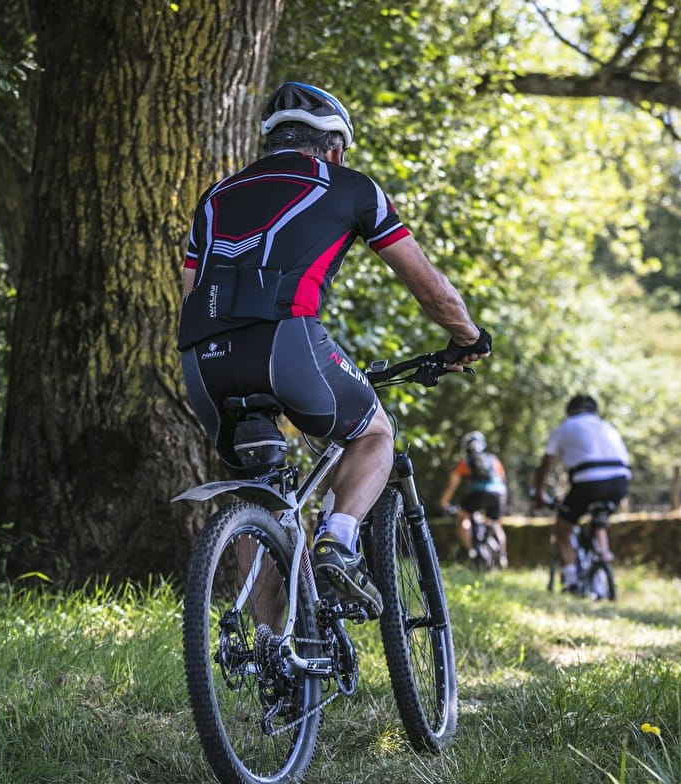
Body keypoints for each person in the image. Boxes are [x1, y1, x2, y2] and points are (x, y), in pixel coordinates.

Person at [177, 81, 490, 619]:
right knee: (373, 433)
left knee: (256, 488)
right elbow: (430, 288)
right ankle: (337, 543)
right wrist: (467, 337)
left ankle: (274, 653)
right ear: (335, 147)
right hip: (286, 343)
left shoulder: (215, 197)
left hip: (202, 361)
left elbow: (189, 295)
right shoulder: (350, 186)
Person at [531, 394, 631, 593]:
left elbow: (545, 466)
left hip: (588, 482)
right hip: (620, 482)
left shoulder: (564, 428)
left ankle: (571, 581)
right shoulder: (607, 427)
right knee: (599, 521)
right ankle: (603, 555)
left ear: (570, 411)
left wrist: (539, 493)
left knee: (562, 530)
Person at [438, 431, 509, 568]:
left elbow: (451, 485)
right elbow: (503, 480)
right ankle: (503, 557)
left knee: (462, 518)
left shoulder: (465, 461)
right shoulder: (493, 459)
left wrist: (443, 503)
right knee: (496, 524)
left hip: (477, 494)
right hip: (499, 494)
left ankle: (472, 551)